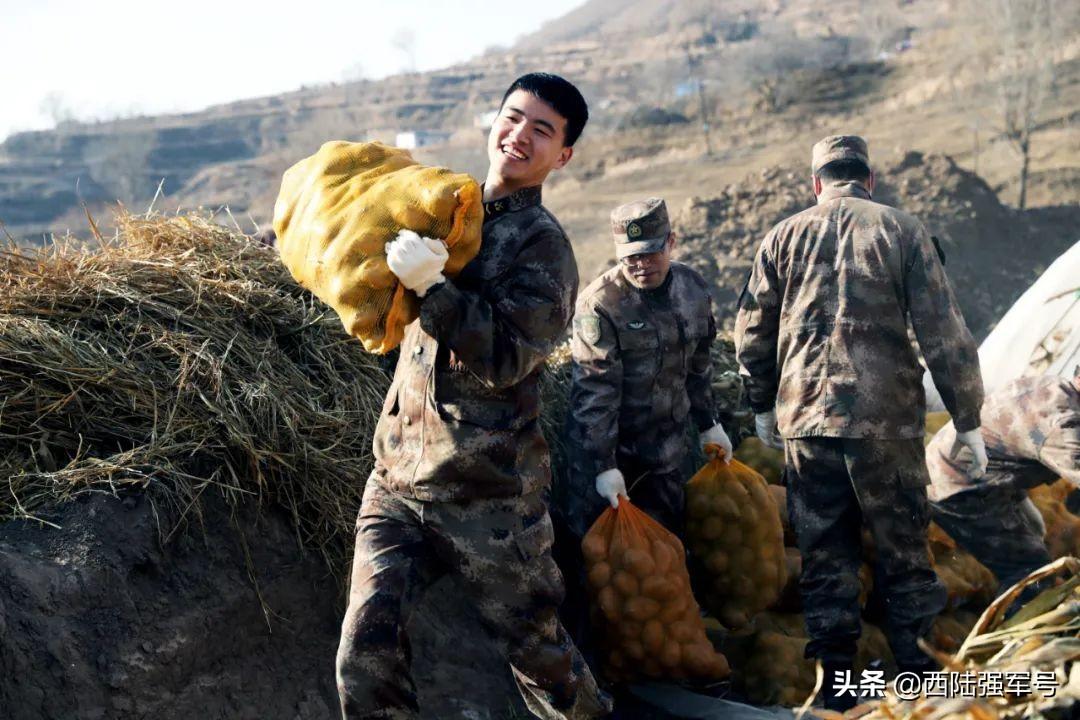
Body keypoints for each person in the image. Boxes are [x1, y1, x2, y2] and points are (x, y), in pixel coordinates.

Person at [335, 72, 611, 720]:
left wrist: (436, 289)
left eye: (542, 130)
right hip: (399, 478)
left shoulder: (544, 249)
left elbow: (509, 359)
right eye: (513, 118)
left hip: (487, 495)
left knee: (543, 664)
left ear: (562, 156)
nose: (519, 135)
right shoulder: (444, 211)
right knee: (363, 655)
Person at [734, 135, 986, 711]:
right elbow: (943, 332)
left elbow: (752, 331)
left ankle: (838, 693)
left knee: (827, 558)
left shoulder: (781, 237)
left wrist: (760, 402)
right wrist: (967, 416)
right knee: (903, 555)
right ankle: (923, 691)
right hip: (884, 425)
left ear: (816, 183)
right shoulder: (902, 230)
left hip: (806, 422)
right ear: (868, 179)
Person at [554, 197, 730, 668]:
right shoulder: (601, 305)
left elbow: (699, 363)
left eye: (650, 252)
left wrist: (709, 421)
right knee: (597, 566)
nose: (641, 264)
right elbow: (594, 392)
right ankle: (594, 670)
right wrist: (603, 466)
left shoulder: (692, 290)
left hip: (665, 454)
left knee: (662, 560)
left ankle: (664, 660)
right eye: (630, 255)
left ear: (671, 242)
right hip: (605, 457)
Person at [928, 368, 1080, 596]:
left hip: (983, 473)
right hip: (957, 487)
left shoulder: (1054, 386)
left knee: (1035, 527)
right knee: (1030, 570)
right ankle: (1026, 619)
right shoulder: (1059, 427)